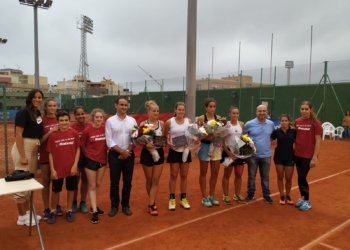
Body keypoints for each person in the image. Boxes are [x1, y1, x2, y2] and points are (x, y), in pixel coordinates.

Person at [12, 89, 44, 226]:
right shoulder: (23, 112)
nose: (37, 99)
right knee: (21, 181)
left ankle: (27, 213)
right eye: (35, 97)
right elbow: (18, 134)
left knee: (29, 180)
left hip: (33, 147)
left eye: (40, 97)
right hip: (24, 147)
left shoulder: (36, 112)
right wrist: (23, 155)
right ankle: (21, 216)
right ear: (30, 98)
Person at [46, 110, 80, 224]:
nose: (64, 123)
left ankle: (69, 210)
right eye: (61, 120)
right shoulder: (53, 135)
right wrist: (52, 169)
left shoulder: (74, 133)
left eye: (66, 120)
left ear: (69, 121)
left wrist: (75, 165)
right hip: (57, 169)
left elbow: (78, 149)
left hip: (71, 168)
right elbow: (50, 153)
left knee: (71, 189)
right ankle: (53, 210)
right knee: (56, 190)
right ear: (57, 121)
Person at [105, 97, 137, 217]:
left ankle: (125, 205)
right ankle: (114, 206)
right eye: (121, 105)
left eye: (125, 105)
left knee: (127, 182)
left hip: (129, 154)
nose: (123, 107)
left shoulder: (132, 120)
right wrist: (121, 152)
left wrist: (127, 151)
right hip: (114, 155)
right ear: (116, 105)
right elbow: (109, 140)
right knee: (114, 182)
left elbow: (135, 138)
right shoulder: (110, 121)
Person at [164, 102, 193, 211]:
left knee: (184, 175)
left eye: (183, 110)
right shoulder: (169, 122)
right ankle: (172, 199)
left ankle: (183, 199)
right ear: (175, 110)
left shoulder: (189, 121)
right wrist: (169, 143)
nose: (181, 112)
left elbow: (192, 135)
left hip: (185, 151)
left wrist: (193, 140)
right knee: (173, 175)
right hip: (174, 151)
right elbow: (164, 137)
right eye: (179, 110)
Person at [294, 101, 322, 211]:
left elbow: (318, 141)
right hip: (297, 154)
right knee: (299, 177)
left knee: (302, 177)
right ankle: (303, 197)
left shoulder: (316, 123)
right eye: (302, 109)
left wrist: (314, 157)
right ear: (300, 110)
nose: (304, 111)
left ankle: (307, 201)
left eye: (306, 109)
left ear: (310, 109)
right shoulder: (297, 121)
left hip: (308, 155)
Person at [81, 109, 107, 223]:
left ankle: (93, 206)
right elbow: (82, 146)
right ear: (93, 118)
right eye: (97, 117)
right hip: (90, 160)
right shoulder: (87, 130)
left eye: (101, 117)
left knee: (97, 184)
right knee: (91, 185)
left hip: (102, 160)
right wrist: (88, 156)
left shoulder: (105, 128)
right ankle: (95, 211)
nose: (99, 119)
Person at [245, 105, 275, 203]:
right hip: (253, 156)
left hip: (266, 155)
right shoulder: (249, 124)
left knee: (265, 177)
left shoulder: (271, 124)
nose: (262, 113)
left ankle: (266, 195)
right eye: (260, 111)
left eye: (264, 111)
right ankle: (250, 194)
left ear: (267, 112)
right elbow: (244, 138)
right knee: (251, 176)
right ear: (256, 112)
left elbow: (272, 137)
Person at [139, 101, 164, 216]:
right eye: (153, 111)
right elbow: (136, 139)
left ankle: (150, 204)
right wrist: (146, 145)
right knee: (149, 180)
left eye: (157, 111)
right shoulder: (142, 124)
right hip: (146, 154)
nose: (156, 113)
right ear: (148, 112)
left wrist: (167, 142)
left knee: (155, 180)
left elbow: (163, 139)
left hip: (159, 153)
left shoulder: (162, 123)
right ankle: (152, 201)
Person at [196, 98, 222, 207]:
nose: (212, 108)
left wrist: (218, 139)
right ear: (206, 107)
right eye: (210, 106)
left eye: (214, 106)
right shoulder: (201, 118)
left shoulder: (219, 118)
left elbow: (221, 134)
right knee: (203, 172)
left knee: (215, 173)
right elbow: (197, 135)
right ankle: (204, 197)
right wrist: (208, 137)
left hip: (216, 148)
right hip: (205, 148)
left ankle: (212, 195)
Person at [39, 98, 63, 220]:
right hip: (44, 154)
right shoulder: (41, 121)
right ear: (46, 107)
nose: (53, 108)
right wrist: (51, 132)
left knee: (56, 181)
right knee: (46, 181)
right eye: (50, 106)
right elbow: (40, 141)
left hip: (58, 155)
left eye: (54, 106)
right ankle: (46, 208)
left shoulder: (60, 119)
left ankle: (56, 204)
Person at [221, 106, 246, 204]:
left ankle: (237, 194)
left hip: (239, 153)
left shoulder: (241, 124)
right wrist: (229, 153)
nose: (235, 115)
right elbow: (222, 141)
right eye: (233, 113)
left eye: (237, 113)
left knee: (239, 174)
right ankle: (226, 195)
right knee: (227, 175)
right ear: (229, 114)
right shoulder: (226, 125)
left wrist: (241, 150)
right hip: (228, 153)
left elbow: (242, 138)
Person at [271, 114, 296, 205]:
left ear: (289, 121)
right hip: (278, 157)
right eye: (282, 121)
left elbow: (299, 142)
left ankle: (288, 195)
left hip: (290, 157)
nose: (284, 122)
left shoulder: (294, 131)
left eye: (286, 121)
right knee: (280, 177)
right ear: (280, 122)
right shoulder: (276, 131)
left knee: (288, 178)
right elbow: (269, 140)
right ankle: (282, 195)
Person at [70, 106, 90, 213]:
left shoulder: (90, 126)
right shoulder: (72, 128)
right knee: (75, 182)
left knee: (85, 181)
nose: (81, 116)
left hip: (87, 159)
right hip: (75, 160)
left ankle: (83, 202)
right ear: (75, 116)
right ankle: (73, 202)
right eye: (78, 114)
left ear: (85, 114)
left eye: (82, 113)